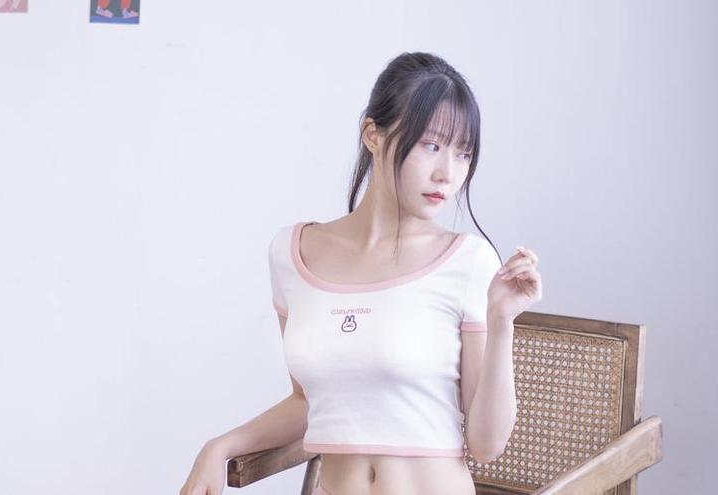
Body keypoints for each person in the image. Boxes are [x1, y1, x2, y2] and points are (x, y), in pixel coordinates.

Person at [179, 51, 543, 495]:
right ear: (373, 134)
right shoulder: (292, 254)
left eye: (463, 153)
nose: (448, 174)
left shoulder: (468, 261)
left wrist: (501, 320)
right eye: (431, 146)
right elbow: (309, 403)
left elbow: (487, 446)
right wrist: (220, 447)